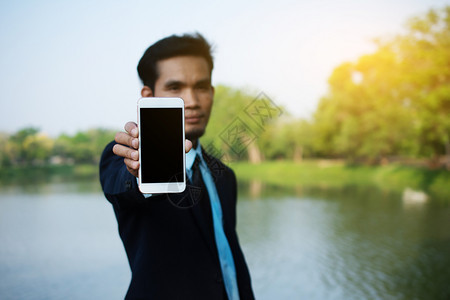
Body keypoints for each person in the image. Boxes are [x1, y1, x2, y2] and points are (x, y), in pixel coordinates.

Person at [99, 33, 255, 300]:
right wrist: (140, 172)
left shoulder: (224, 176)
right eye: (175, 88)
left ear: (212, 92)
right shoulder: (124, 158)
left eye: (202, 86)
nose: (192, 100)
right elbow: (122, 185)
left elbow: (226, 254)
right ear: (149, 95)